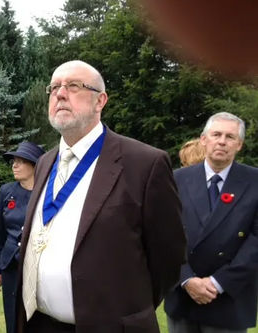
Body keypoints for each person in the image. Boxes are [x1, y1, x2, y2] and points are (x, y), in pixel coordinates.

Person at [15, 60, 187, 333]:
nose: (60, 93)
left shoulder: (144, 163)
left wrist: (130, 311)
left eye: (73, 86)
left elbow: (168, 256)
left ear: (100, 101)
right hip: (38, 323)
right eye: (54, 87)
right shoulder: (46, 162)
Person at [164, 112, 258, 333]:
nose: (222, 141)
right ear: (203, 140)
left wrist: (218, 283)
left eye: (230, 137)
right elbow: (164, 235)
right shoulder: (177, 179)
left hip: (228, 300)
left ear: (239, 145)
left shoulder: (254, 182)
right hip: (183, 298)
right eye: (216, 134)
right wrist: (187, 279)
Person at [0, 142, 45, 333]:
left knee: (36, 319)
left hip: (37, 265)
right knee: (12, 318)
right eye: (14, 161)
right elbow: (1, 236)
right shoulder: (7, 191)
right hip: (10, 266)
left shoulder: (47, 193)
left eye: (21, 161)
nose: (15, 165)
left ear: (35, 165)